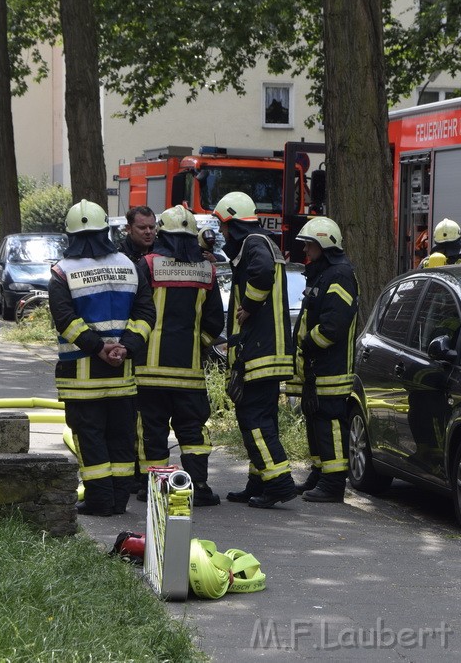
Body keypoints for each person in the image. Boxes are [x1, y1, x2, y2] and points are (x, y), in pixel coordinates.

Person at [48, 199, 155, 516]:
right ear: (107, 231)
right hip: (122, 374)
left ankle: (99, 499)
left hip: (82, 379)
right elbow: (146, 314)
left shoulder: (62, 272)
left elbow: (65, 320)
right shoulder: (130, 266)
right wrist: (126, 347)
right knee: (121, 437)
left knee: (90, 437)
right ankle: (118, 500)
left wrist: (98, 348)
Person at [133, 206, 226, 506]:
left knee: (152, 430)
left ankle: (155, 487)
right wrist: (195, 344)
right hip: (190, 373)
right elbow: (215, 323)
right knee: (192, 431)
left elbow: (134, 312)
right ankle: (198, 485)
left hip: (149, 370)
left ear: (162, 234)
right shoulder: (207, 271)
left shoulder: (146, 265)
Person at [213, 190, 298, 508]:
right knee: (262, 420)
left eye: (223, 226)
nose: (222, 233)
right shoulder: (260, 242)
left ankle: (278, 484)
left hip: (261, 352)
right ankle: (259, 481)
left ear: (233, 222)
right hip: (264, 351)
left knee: (255, 420)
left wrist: (248, 306)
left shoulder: (254, 244)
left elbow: (261, 273)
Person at [288, 217, 359, 503]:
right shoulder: (324, 273)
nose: (305, 250)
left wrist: (307, 344)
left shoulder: (339, 275)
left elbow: (333, 326)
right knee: (317, 422)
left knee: (330, 423)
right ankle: (320, 473)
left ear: (324, 245)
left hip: (331, 368)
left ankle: (333, 483)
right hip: (318, 367)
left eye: (309, 245)